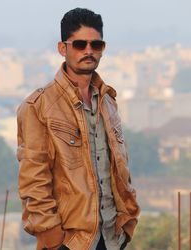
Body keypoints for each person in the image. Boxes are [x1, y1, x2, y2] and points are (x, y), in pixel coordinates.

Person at [17, 8, 140, 250]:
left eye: (96, 45)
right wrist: (53, 240)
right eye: (80, 44)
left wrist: (127, 224)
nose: (89, 51)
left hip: (113, 238)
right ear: (63, 49)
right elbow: (33, 182)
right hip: (70, 242)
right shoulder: (38, 106)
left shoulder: (107, 101)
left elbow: (119, 168)